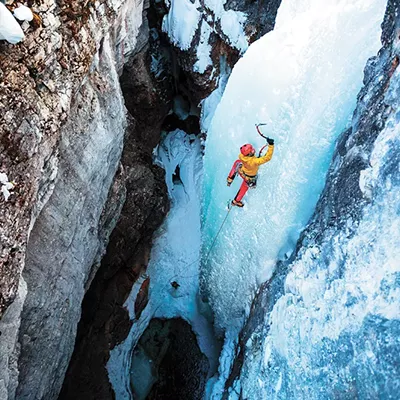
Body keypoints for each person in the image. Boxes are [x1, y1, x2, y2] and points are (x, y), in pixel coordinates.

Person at [227, 137, 274, 207]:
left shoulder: (242, 156)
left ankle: (230, 179)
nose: (253, 150)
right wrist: (271, 145)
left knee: (237, 163)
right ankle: (236, 201)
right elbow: (267, 158)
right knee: (244, 187)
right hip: (249, 178)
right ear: (249, 154)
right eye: (251, 150)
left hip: (242, 171)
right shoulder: (255, 161)